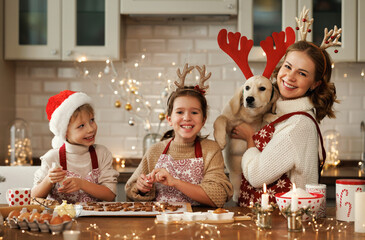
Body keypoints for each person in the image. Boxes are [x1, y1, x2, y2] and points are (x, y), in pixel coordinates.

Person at [232, 40, 338, 206]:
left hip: (286, 221)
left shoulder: (298, 124)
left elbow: (257, 175)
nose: (290, 77)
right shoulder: (280, 113)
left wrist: (249, 139)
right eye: (288, 67)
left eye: (302, 73)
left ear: (315, 84)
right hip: (270, 218)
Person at [125, 65, 233, 207]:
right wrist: (142, 187)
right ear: (169, 119)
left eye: (194, 112)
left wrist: (175, 182)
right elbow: (130, 190)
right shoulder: (155, 151)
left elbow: (217, 196)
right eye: (180, 112)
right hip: (161, 224)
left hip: (200, 223)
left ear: (204, 119)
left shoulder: (211, 150)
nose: (187, 118)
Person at [32, 90, 119, 204]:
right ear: (65, 132)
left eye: (92, 120)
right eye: (81, 126)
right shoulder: (52, 158)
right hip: (61, 220)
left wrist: (81, 184)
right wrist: (48, 180)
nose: (91, 129)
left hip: (95, 220)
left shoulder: (101, 154)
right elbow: (33, 196)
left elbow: (110, 195)